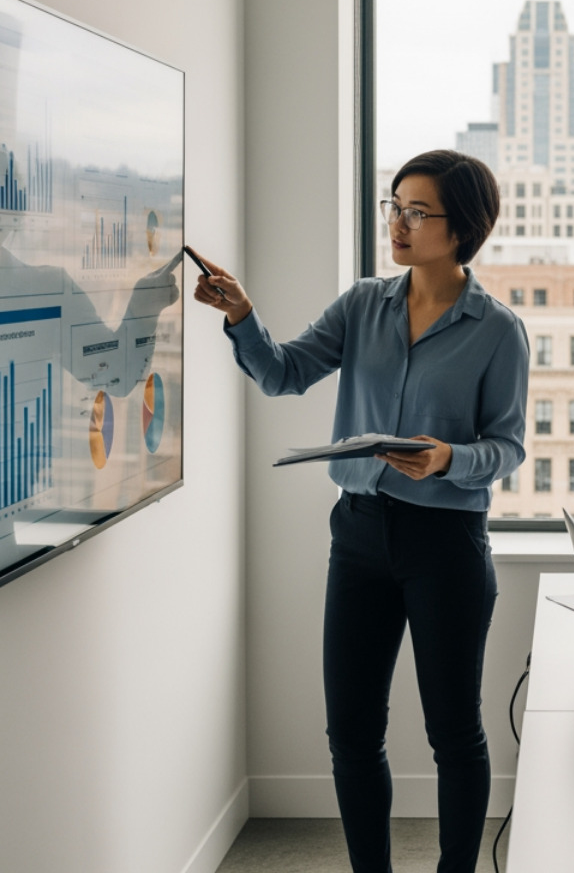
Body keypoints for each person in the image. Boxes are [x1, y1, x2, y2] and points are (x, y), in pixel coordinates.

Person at [190, 150, 527, 873]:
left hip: (447, 542)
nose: (397, 224)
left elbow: (508, 446)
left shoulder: (497, 330)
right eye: (394, 206)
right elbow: (283, 374)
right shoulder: (363, 304)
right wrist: (242, 314)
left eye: (416, 211)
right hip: (361, 534)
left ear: (461, 226)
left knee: (454, 733)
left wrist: (447, 459)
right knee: (349, 732)